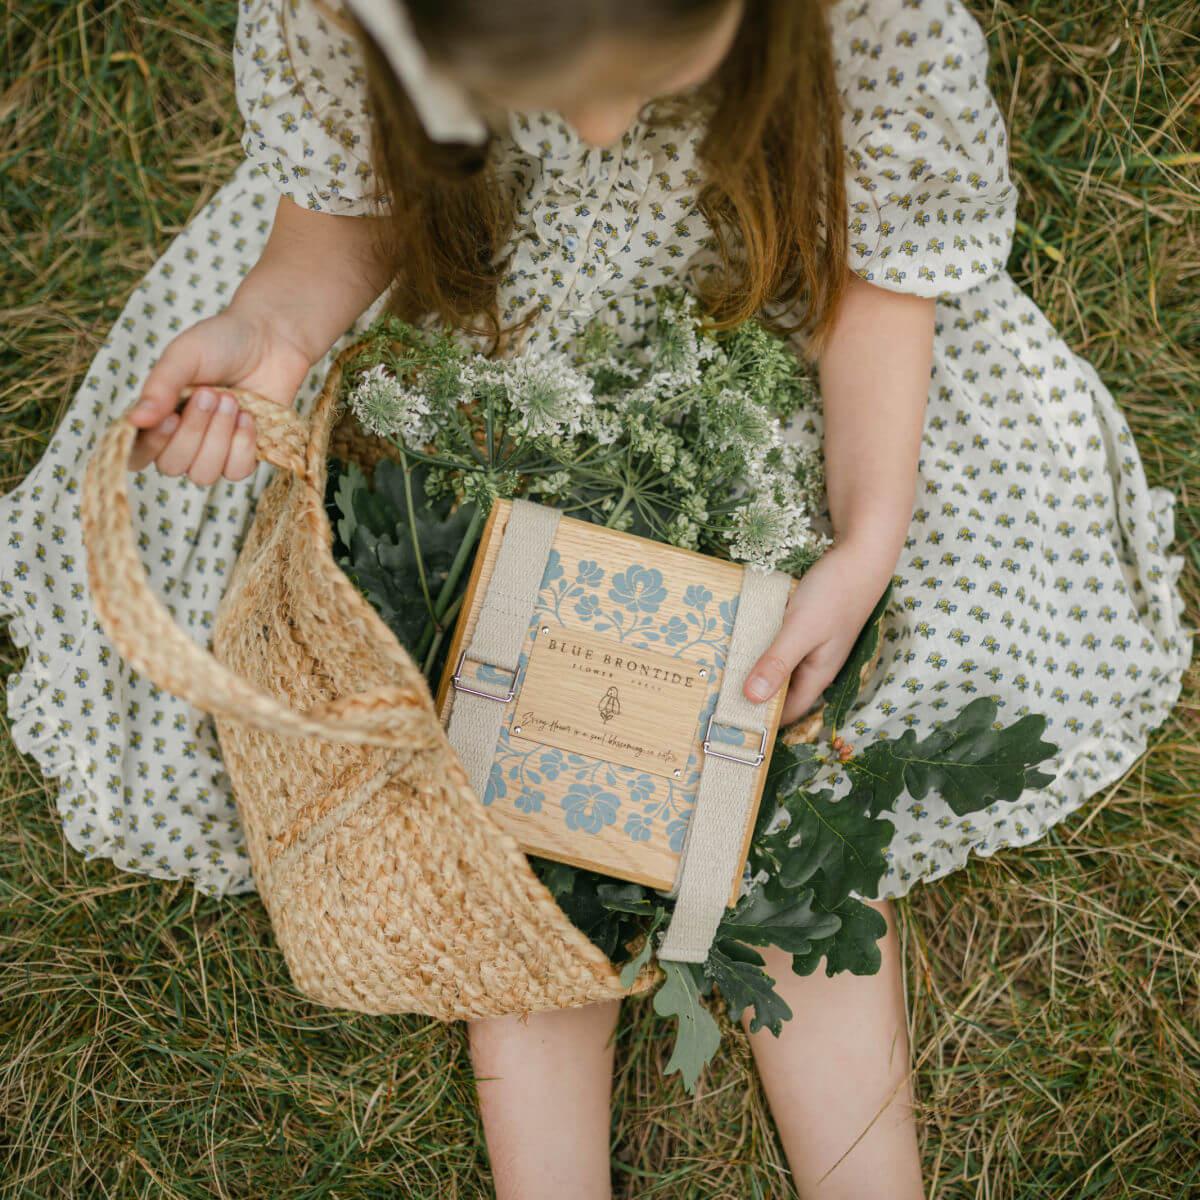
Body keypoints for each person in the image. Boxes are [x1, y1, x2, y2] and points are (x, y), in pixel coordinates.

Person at [0, 1, 1190, 1196]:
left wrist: (869, 539)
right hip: (481, 343)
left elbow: (875, 285)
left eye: (648, 77)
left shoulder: (866, 21)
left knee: (784, 761)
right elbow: (341, 229)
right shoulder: (347, 16)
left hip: (759, 329)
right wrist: (272, 334)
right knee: (507, 792)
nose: (603, 127)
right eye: (541, 94)